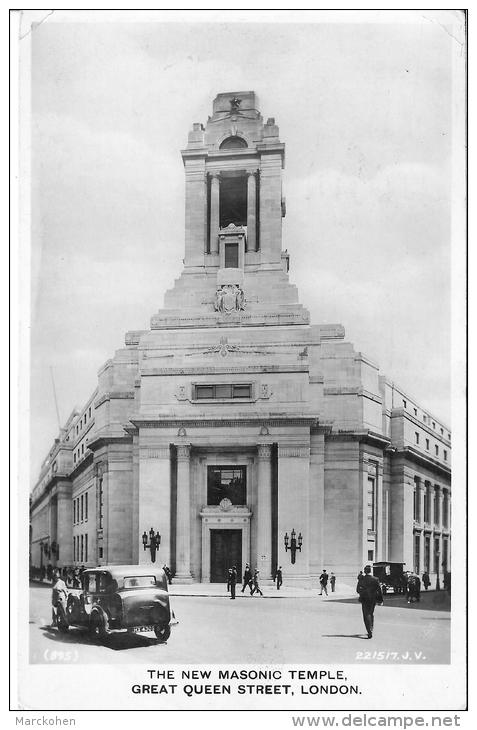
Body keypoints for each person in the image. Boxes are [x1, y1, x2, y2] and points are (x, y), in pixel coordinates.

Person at [357, 565, 383, 638]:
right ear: (370, 571)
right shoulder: (375, 579)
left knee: (366, 614)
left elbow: (358, 590)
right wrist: (380, 600)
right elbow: (379, 590)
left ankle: (369, 631)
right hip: (373, 599)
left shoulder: (362, 579)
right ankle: (371, 627)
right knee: (371, 613)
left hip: (364, 599)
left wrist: (362, 593)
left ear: (365, 571)